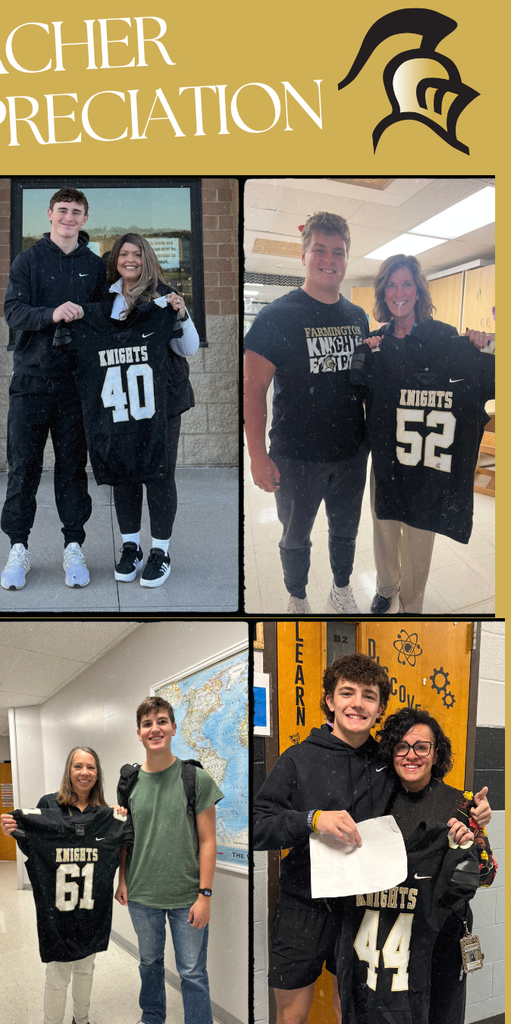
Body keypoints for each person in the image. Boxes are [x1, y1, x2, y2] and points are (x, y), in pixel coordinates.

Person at [253, 653, 492, 1024]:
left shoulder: (386, 762)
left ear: (380, 708)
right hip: (303, 908)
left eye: (369, 695)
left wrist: (472, 813)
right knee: (292, 1015)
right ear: (330, 701)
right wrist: (311, 820)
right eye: (347, 693)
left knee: (352, 1006)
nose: (357, 703)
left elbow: (426, 790)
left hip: (361, 910)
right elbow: (258, 826)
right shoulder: (297, 759)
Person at [353, 254, 494, 613]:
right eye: (392, 285)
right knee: (384, 526)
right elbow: (355, 390)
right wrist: (361, 356)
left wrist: (480, 344)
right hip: (387, 455)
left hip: (427, 457)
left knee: (418, 534)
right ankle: (386, 587)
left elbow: (480, 373)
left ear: (418, 291)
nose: (399, 292)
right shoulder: (376, 341)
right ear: (384, 293)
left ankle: (411, 602)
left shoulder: (444, 336)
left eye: (407, 284)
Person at [243, 212, 369, 614]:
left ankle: (342, 589)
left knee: (345, 532)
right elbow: (254, 388)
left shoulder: (357, 317)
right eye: (320, 250)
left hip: (350, 452)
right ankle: (297, 597)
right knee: (295, 536)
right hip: (295, 454)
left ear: (347, 258)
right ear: (304, 255)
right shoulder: (276, 316)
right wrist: (257, 455)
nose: (329, 259)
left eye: (338, 252)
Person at [0, 187, 107, 591]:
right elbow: (13, 311)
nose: (68, 217)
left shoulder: (95, 267)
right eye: (62, 210)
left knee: (72, 470)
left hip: (75, 387)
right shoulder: (27, 261)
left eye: (76, 211)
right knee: (23, 468)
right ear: (49, 215)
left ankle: (74, 546)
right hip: (30, 382)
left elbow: (105, 318)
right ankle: (18, 547)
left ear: (84, 219)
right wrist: (52, 314)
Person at [375, 707, 496, 1024]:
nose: (410, 755)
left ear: (435, 751)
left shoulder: (462, 802)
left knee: (441, 1015)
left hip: (443, 936)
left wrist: (470, 843)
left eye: (421, 746)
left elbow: (487, 874)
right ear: (392, 752)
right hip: (389, 936)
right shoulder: (376, 802)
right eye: (401, 746)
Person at [0, 747, 130, 1024]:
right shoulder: (48, 805)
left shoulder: (106, 814)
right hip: (56, 910)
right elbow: (35, 848)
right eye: (78, 766)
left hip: (91, 908)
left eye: (91, 767)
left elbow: (121, 846)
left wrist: (122, 881)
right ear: (68, 771)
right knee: (58, 973)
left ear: (98, 774)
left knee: (86, 967)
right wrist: (13, 827)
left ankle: (81, 1020)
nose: (85, 773)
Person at [115, 696, 223, 1024]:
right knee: (149, 964)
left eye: (161, 721)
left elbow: (208, 841)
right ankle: (152, 1018)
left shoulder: (195, 779)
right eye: (147, 724)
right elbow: (126, 838)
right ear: (139, 733)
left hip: (187, 897)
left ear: (174, 728)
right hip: (142, 895)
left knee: (192, 973)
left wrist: (205, 895)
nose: (155, 728)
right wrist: (122, 880)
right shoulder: (130, 784)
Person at [105, 233, 199, 587]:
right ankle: (132, 548)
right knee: (124, 475)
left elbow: (188, 347)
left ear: (147, 258)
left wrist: (182, 311)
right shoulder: (106, 299)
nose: (130, 260)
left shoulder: (164, 296)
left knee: (159, 475)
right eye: (123, 254)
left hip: (162, 403)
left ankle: (160, 551)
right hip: (120, 400)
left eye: (137, 254)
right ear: (116, 259)